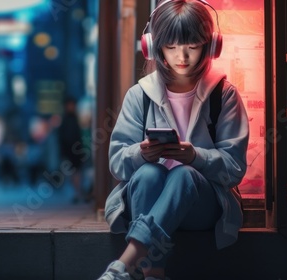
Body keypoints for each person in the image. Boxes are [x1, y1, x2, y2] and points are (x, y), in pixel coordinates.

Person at [97, 1, 249, 279]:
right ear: (154, 47)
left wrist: (195, 157)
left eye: (192, 46)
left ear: (210, 46)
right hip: (147, 196)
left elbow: (235, 168)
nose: (182, 55)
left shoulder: (223, 95)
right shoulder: (139, 95)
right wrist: (141, 154)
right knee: (147, 174)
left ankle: (124, 265)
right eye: (172, 46)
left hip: (201, 206)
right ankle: (153, 271)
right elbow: (118, 164)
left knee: (184, 176)